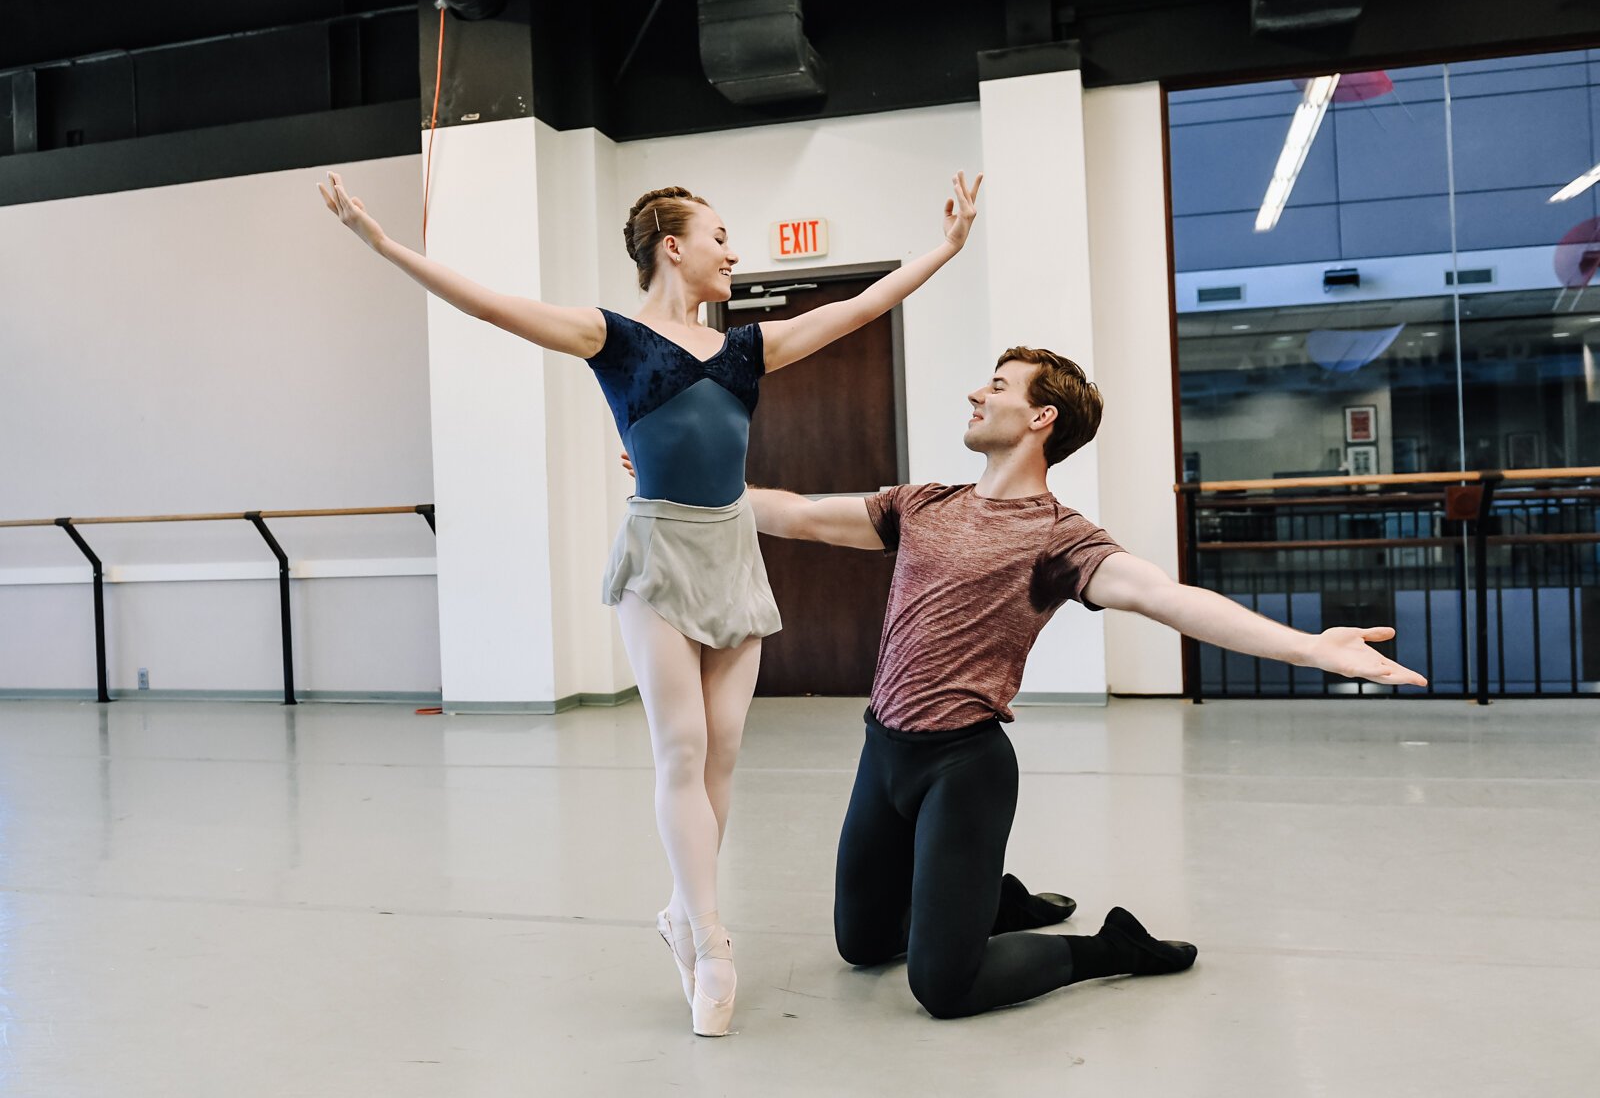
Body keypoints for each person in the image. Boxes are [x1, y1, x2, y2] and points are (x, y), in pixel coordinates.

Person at [317, 169, 984, 1035]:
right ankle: (709, 938)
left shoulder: (747, 350)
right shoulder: (615, 337)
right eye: (720, 237)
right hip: (660, 551)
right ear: (675, 246)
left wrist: (944, 248)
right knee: (681, 746)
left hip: (732, 553)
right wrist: (382, 243)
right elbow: (489, 306)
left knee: (724, 753)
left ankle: (682, 908)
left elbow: (854, 312)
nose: (734, 251)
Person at [736, 345, 1429, 1019]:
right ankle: (996, 902)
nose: (978, 393)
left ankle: (1110, 946)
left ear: (1042, 418)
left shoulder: (1057, 538)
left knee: (944, 988)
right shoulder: (923, 504)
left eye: (999, 385)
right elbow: (796, 514)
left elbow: (1166, 596)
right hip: (882, 751)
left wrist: (1311, 647)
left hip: (962, 766)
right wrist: (701, 491)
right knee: (863, 944)